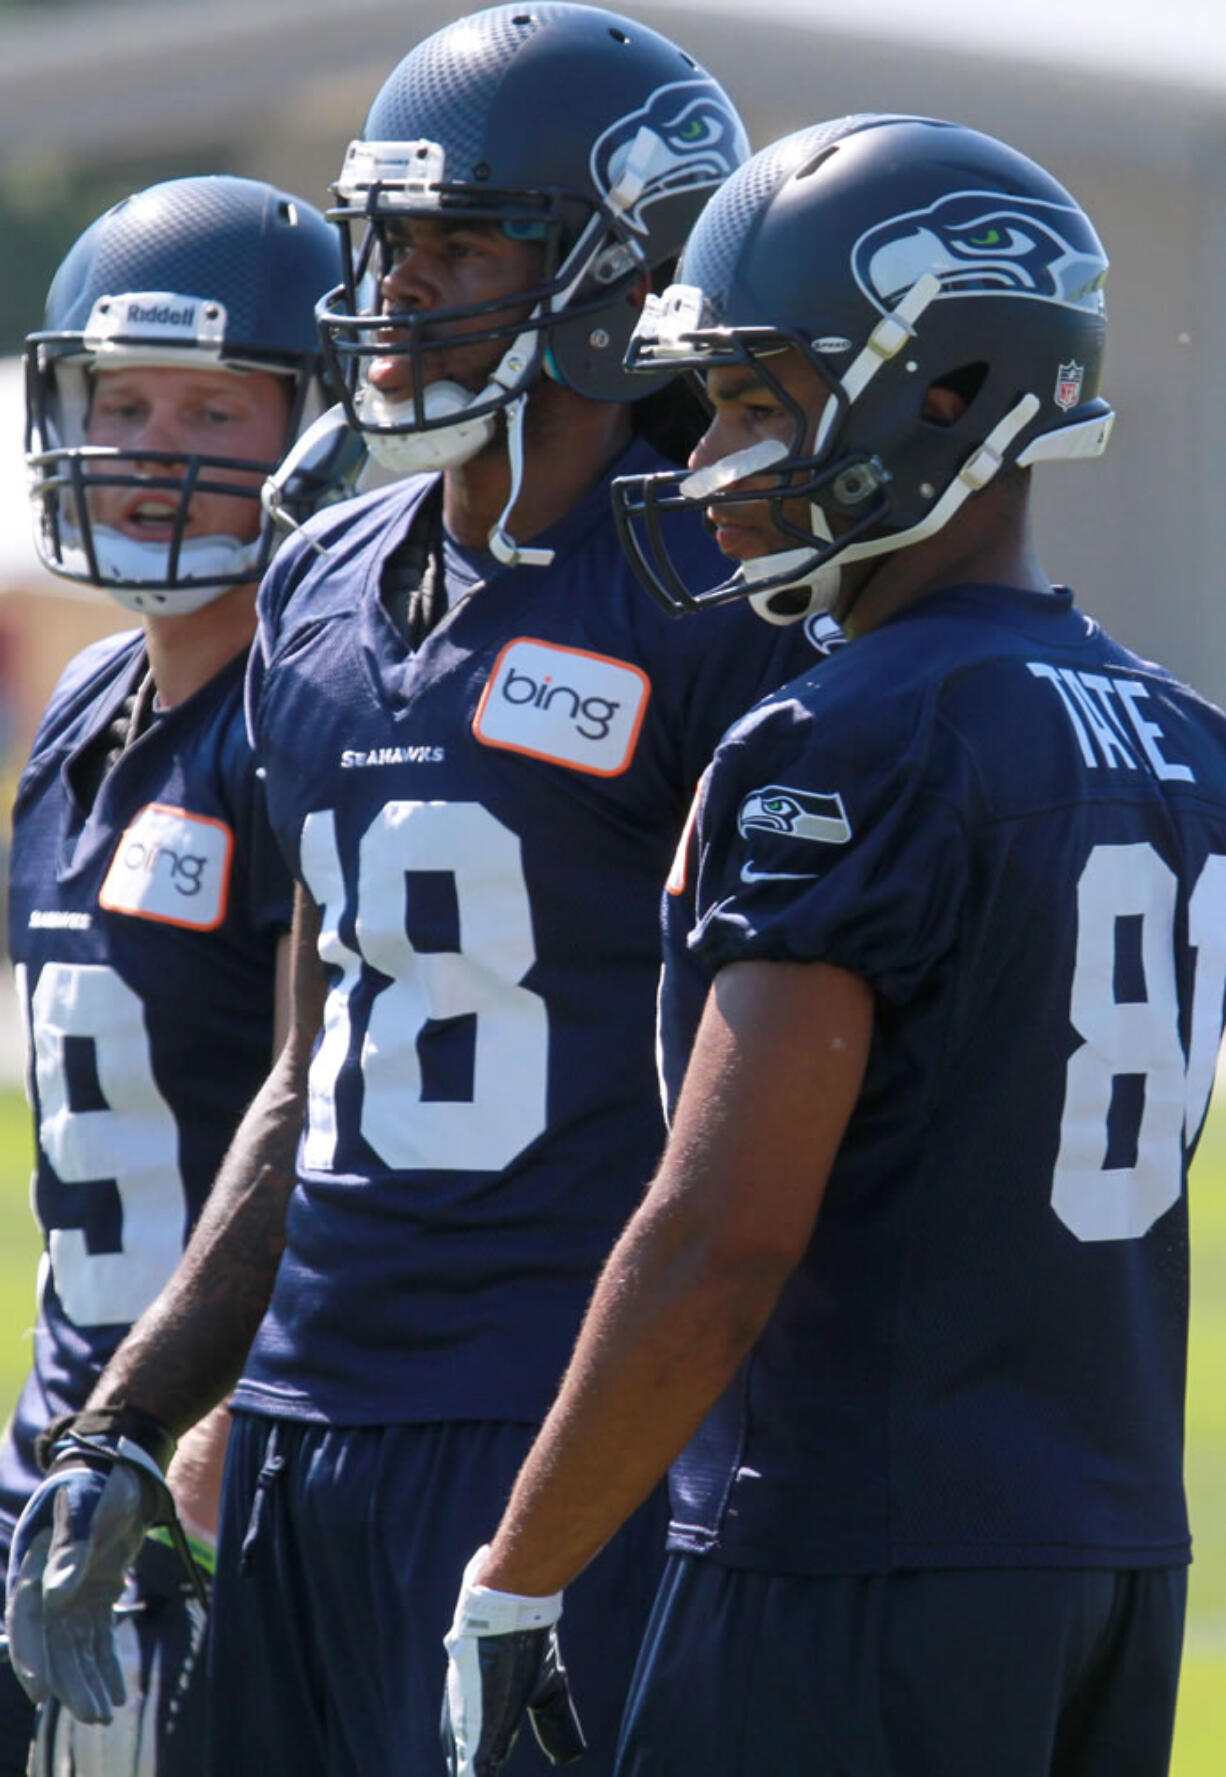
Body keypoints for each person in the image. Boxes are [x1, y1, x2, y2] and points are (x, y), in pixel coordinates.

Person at [5, 8, 821, 1775]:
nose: (397, 288)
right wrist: (135, 1413)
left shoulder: (725, 585)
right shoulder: (320, 590)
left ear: (625, 268)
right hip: (307, 1416)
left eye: (460, 244)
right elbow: (308, 1078)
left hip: (566, 1415)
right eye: (387, 237)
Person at [437, 115, 1226, 1777]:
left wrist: (518, 1576)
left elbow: (721, 1234)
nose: (708, 459)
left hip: (858, 1551)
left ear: (945, 393)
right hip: (1110, 1556)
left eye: (752, 401)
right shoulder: (1175, 734)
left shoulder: (849, 734)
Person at [0, 173, 346, 1775]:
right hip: (65, 1440)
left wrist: (187, 1443)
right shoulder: (80, 704)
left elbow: (342, 1130)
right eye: (122, 398)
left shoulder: (318, 717)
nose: (151, 447)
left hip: (215, 1464)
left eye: (214, 405)